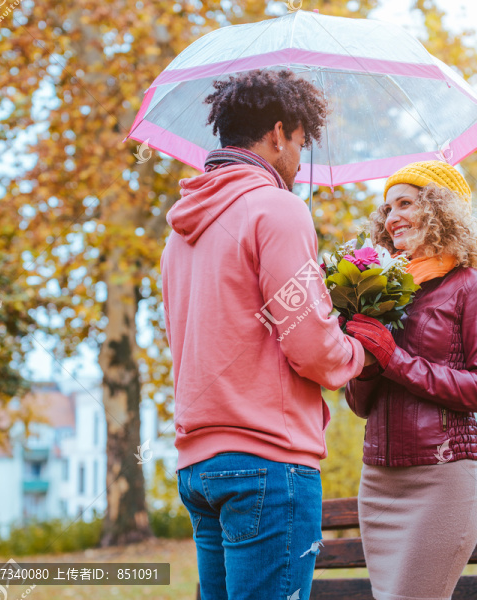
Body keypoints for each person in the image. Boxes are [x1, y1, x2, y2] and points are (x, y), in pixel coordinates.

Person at [160, 69, 373, 600]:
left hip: (199, 466)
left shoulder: (180, 233)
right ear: (278, 134)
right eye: (301, 143)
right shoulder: (277, 209)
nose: (300, 161)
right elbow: (311, 350)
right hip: (267, 463)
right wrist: (361, 349)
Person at [344, 160, 477, 600]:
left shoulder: (475, 287)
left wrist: (393, 358)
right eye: (387, 208)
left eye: (405, 203)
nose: (391, 217)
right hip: (378, 482)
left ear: (441, 209)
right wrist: (362, 357)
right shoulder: (381, 292)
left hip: (443, 475)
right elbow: (360, 405)